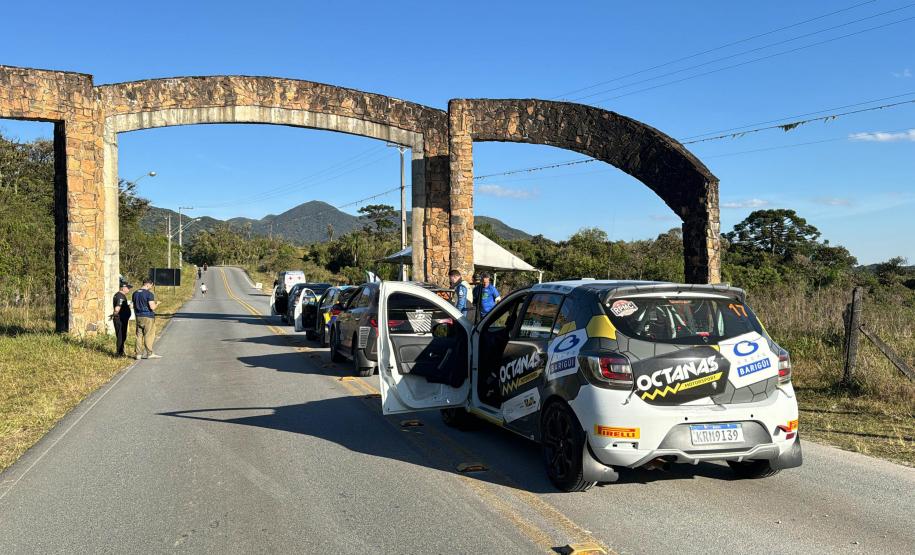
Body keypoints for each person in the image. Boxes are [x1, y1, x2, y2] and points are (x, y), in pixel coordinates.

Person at [132, 279, 161, 360]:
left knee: (139, 335)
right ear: (148, 284)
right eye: (151, 285)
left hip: (138, 316)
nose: (151, 287)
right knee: (149, 335)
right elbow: (152, 307)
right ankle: (149, 353)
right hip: (148, 316)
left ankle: (138, 354)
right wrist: (157, 303)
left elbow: (133, 305)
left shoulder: (135, 293)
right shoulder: (149, 294)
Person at [111, 281, 132, 357]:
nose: (129, 289)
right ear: (123, 288)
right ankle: (119, 353)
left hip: (122, 319)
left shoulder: (119, 295)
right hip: (120, 319)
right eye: (127, 288)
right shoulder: (120, 296)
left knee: (122, 335)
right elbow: (117, 308)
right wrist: (115, 314)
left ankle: (121, 351)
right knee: (121, 336)